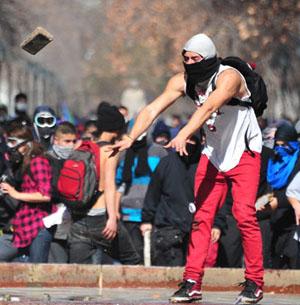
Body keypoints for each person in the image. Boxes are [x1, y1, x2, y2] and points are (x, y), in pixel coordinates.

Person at [110, 33, 264, 304]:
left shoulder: (229, 77)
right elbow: (152, 109)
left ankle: (255, 282)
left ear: (209, 58)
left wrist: (183, 134)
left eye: (196, 59)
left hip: (244, 152)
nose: (190, 63)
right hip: (214, 154)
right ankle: (192, 282)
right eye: (186, 58)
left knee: (244, 215)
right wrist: (130, 137)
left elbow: (210, 107)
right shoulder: (182, 81)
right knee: (201, 218)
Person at [0, 125, 54, 262]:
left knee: (37, 272)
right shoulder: (24, 162)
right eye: (8, 142)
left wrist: (15, 193)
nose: (10, 146)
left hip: (39, 225)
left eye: (13, 142)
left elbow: (45, 195)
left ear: (27, 143)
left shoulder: (38, 162)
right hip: (24, 225)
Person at [267, 124, 300, 269]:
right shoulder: (273, 160)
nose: (280, 149)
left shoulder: (297, 161)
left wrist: (279, 201)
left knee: (292, 255)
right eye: (278, 145)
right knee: (276, 256)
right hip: (275, 219)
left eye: (285, 145)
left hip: (293, 217)